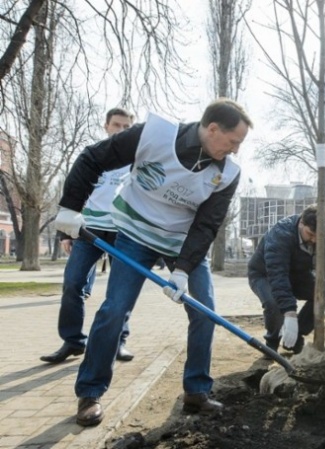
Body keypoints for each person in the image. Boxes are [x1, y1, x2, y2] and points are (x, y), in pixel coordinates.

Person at [54, 98, 252, 427]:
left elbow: (206, 225)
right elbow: (93, 158)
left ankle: (196, 391)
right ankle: (90, 391)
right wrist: (71, 208)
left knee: (205, 311)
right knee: (115, 309)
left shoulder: (228, 173)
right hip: (135, 232)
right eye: (233, 142)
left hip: (181, 242)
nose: (235, 150)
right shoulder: (154, 136)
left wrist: (183, 270)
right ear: (213, 129)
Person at [41, 108, 136, 365]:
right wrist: (65, 232)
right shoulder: (92, 155)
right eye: (117, 125)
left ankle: (119, 341)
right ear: (106, 126)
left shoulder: (139, 160)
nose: (121, 131)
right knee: (72, 283)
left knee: (121, 290)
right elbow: (73, 192)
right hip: (88, 229)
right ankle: (73, 341)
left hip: (123, 232)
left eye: (127, 127)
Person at [247, 205, 325, 354]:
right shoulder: (281, 235)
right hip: (265, 274)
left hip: (298, 274)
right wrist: (289, 313)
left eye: (318, 237)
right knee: (274, 302)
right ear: (302, 223)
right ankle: (272, 341)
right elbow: (278, 275)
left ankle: (296, 335)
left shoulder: (322, 238)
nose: (314, 240)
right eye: (310, 234)